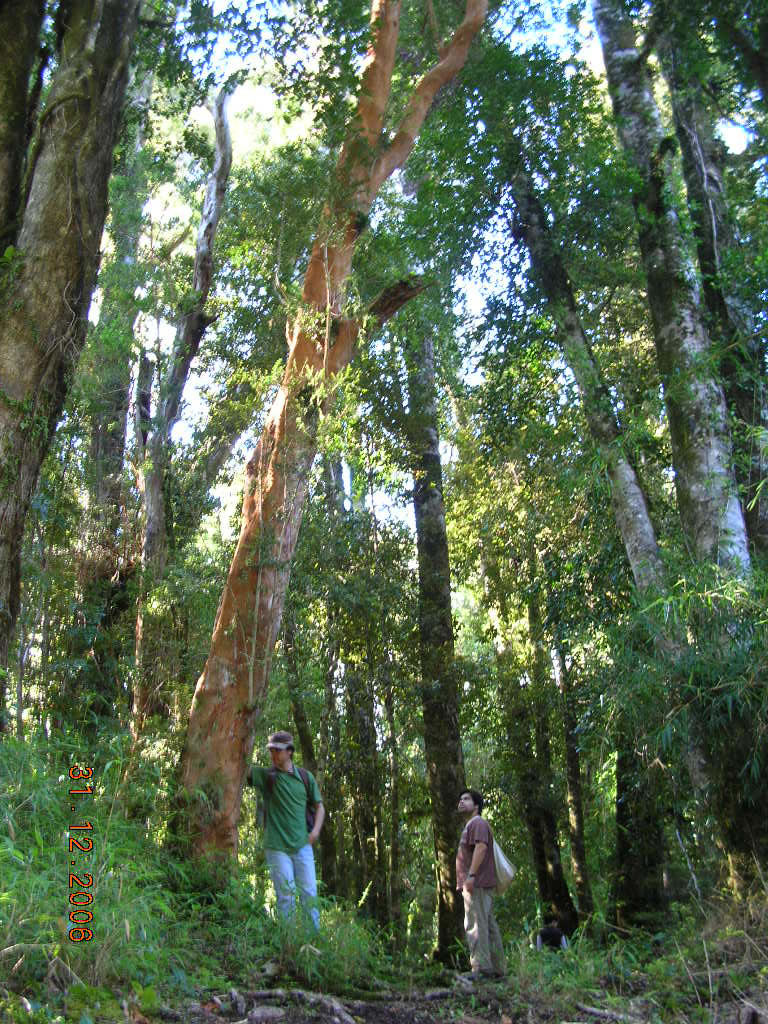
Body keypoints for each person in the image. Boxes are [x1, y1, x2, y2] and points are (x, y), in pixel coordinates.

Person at [248, 730, 325, 929]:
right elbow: (241, 769)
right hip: (276, 847)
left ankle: (313, 940)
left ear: (289, 751)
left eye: (278, 750)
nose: (273, 754)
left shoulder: (305, 778)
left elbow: (320, 807)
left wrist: (315, 832)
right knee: (286, 896)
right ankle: (288, 941)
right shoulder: (266, 776)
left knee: (310, 895)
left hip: (302, 846)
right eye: (271, 750)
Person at [456, 788, 506, 979]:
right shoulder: (473, 824)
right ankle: (497, 968)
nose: (461, 802)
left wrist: (471, 876)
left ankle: (481, 968)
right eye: (460, 799)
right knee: (488, 925)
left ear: (476, 806)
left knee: (475, 923)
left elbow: (481, 847)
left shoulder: (477, 822)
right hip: (480, 883)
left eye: (466, 799)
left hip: (476, 883)